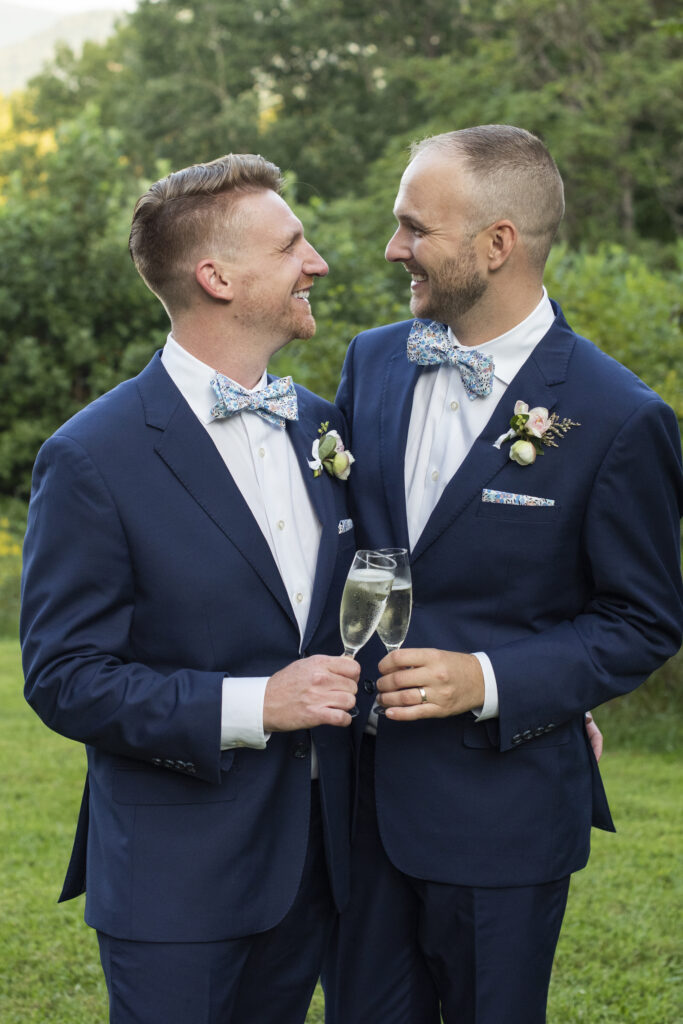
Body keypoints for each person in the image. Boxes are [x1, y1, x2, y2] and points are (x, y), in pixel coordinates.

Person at [324, 125, 683, 1023]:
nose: (389, 247)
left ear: (497, 245)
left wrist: (492, 680)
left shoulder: (619, 416)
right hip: (353, 806)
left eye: (413, 227)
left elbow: (640, 620)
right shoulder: (371, 361)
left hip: (502, 815)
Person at [20, 154, 361, 1024]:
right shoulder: (92, 456)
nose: (316, 261)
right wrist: (258, 704)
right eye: (291, 245)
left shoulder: (322, 426)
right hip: (178, 874)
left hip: (324, 857)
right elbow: (66, 677)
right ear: (216, 276)